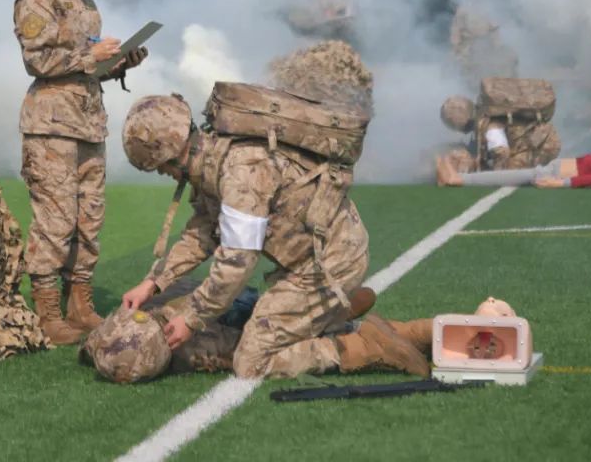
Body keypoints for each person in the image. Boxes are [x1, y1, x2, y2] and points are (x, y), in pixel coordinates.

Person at [116, 94, 432, 380]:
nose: (165, 175)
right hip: (308, 261)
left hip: (327, 265)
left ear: (165, 156)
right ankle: (330, 318)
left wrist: (191, 318)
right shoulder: (214, 159)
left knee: (252, 361)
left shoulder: (242, 174)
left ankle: (364, 346)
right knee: (263, 325)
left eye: (161, 169)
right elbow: (202, 232)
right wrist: (154, 282)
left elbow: (236, 264)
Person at [13, 0, 147, 345]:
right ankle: (48, 313)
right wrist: (91, 58)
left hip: (88, 123)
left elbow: (85, 69)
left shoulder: (84, 1)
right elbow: (37, 61)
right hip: (51, 126)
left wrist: (119, 61)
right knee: (55, 220)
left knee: (89, 219)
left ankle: (80, 304)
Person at [80, 279, 427, 384]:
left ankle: (349, 341)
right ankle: (334, 318)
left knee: (256, 355)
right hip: (210, 295)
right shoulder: (106, 338)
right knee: (251, 310)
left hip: (210, 306)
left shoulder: (185, 347)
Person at [436, 151, 591, 188]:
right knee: (519, 173)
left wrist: (562, 183)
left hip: (560, 174)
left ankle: (458, 179)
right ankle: (458, 177)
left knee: (517, 175)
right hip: (561, 170)